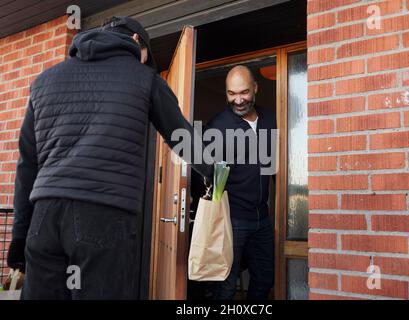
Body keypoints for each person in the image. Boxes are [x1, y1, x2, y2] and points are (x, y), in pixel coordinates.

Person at [6, 16, 213, 299]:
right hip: (104, 215)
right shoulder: (144, 78)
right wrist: (217, 172)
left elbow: (26, 164)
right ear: (137, 41)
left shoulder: (44, 80)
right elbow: (182, 138)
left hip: (44, 218)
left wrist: (19, 236)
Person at [206, 65, 276, 300]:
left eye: (244, 92)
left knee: (265, 278)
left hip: (262, 219)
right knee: (225, 286)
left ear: (255, 88)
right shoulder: (218, 126)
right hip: (232, 219)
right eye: (231, 93)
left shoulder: (272, 118)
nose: (238, 100)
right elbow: (203, 175)